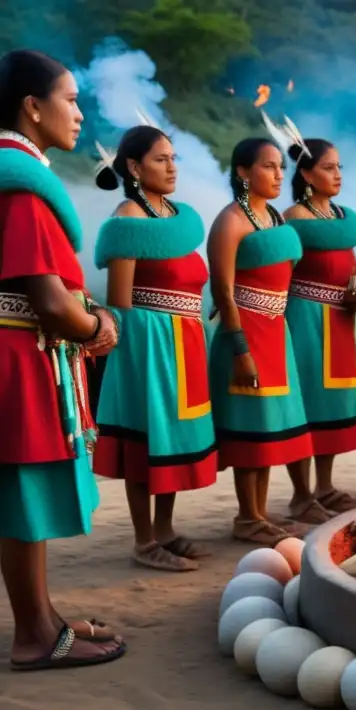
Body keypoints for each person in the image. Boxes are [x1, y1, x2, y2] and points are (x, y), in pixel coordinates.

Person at [0, 49, 126, 669]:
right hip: (20, 356)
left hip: (23, 352)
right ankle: (33, 636)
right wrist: (97, 323)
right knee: (23, 492)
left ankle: (44, 618)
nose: (79, 112)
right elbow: (49, 301)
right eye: (70, 99)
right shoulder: (23, 187)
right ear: (32, 107)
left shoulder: (22, 175)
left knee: (27, 491)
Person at [92, 125, 218, 572]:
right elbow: (121, 305)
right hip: (148, 348)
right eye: (161, 159)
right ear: (133, 166)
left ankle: (165, 530)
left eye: (173, 157)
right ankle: (144, 540)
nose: (171, 167)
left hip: (185, 342)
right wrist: (140, 357)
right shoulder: (129, 217)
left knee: (173, 440)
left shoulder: (176, 217)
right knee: (147, 439)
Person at [207, 137, 315, 544]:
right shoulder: (230, 221)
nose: (278, 174)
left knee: (268, 428)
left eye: (280, 167)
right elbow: (223, 290)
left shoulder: (273, 217)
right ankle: (246, 517)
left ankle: (260, 513)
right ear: (242, 172)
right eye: (268, 166)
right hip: (246, 334)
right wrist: (240, 350)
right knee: (248, 426)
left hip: (276, 333)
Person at [283, 137, 356, 515]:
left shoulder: (339, 218)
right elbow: (277, 274)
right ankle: (301, 494)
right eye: (328, 167)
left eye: (339, 167)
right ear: (305, 173)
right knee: (306, 403)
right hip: (305, 320)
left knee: (333, 402)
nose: (337, 174)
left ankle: (325, 486)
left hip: (340, 320)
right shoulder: (294, 219)